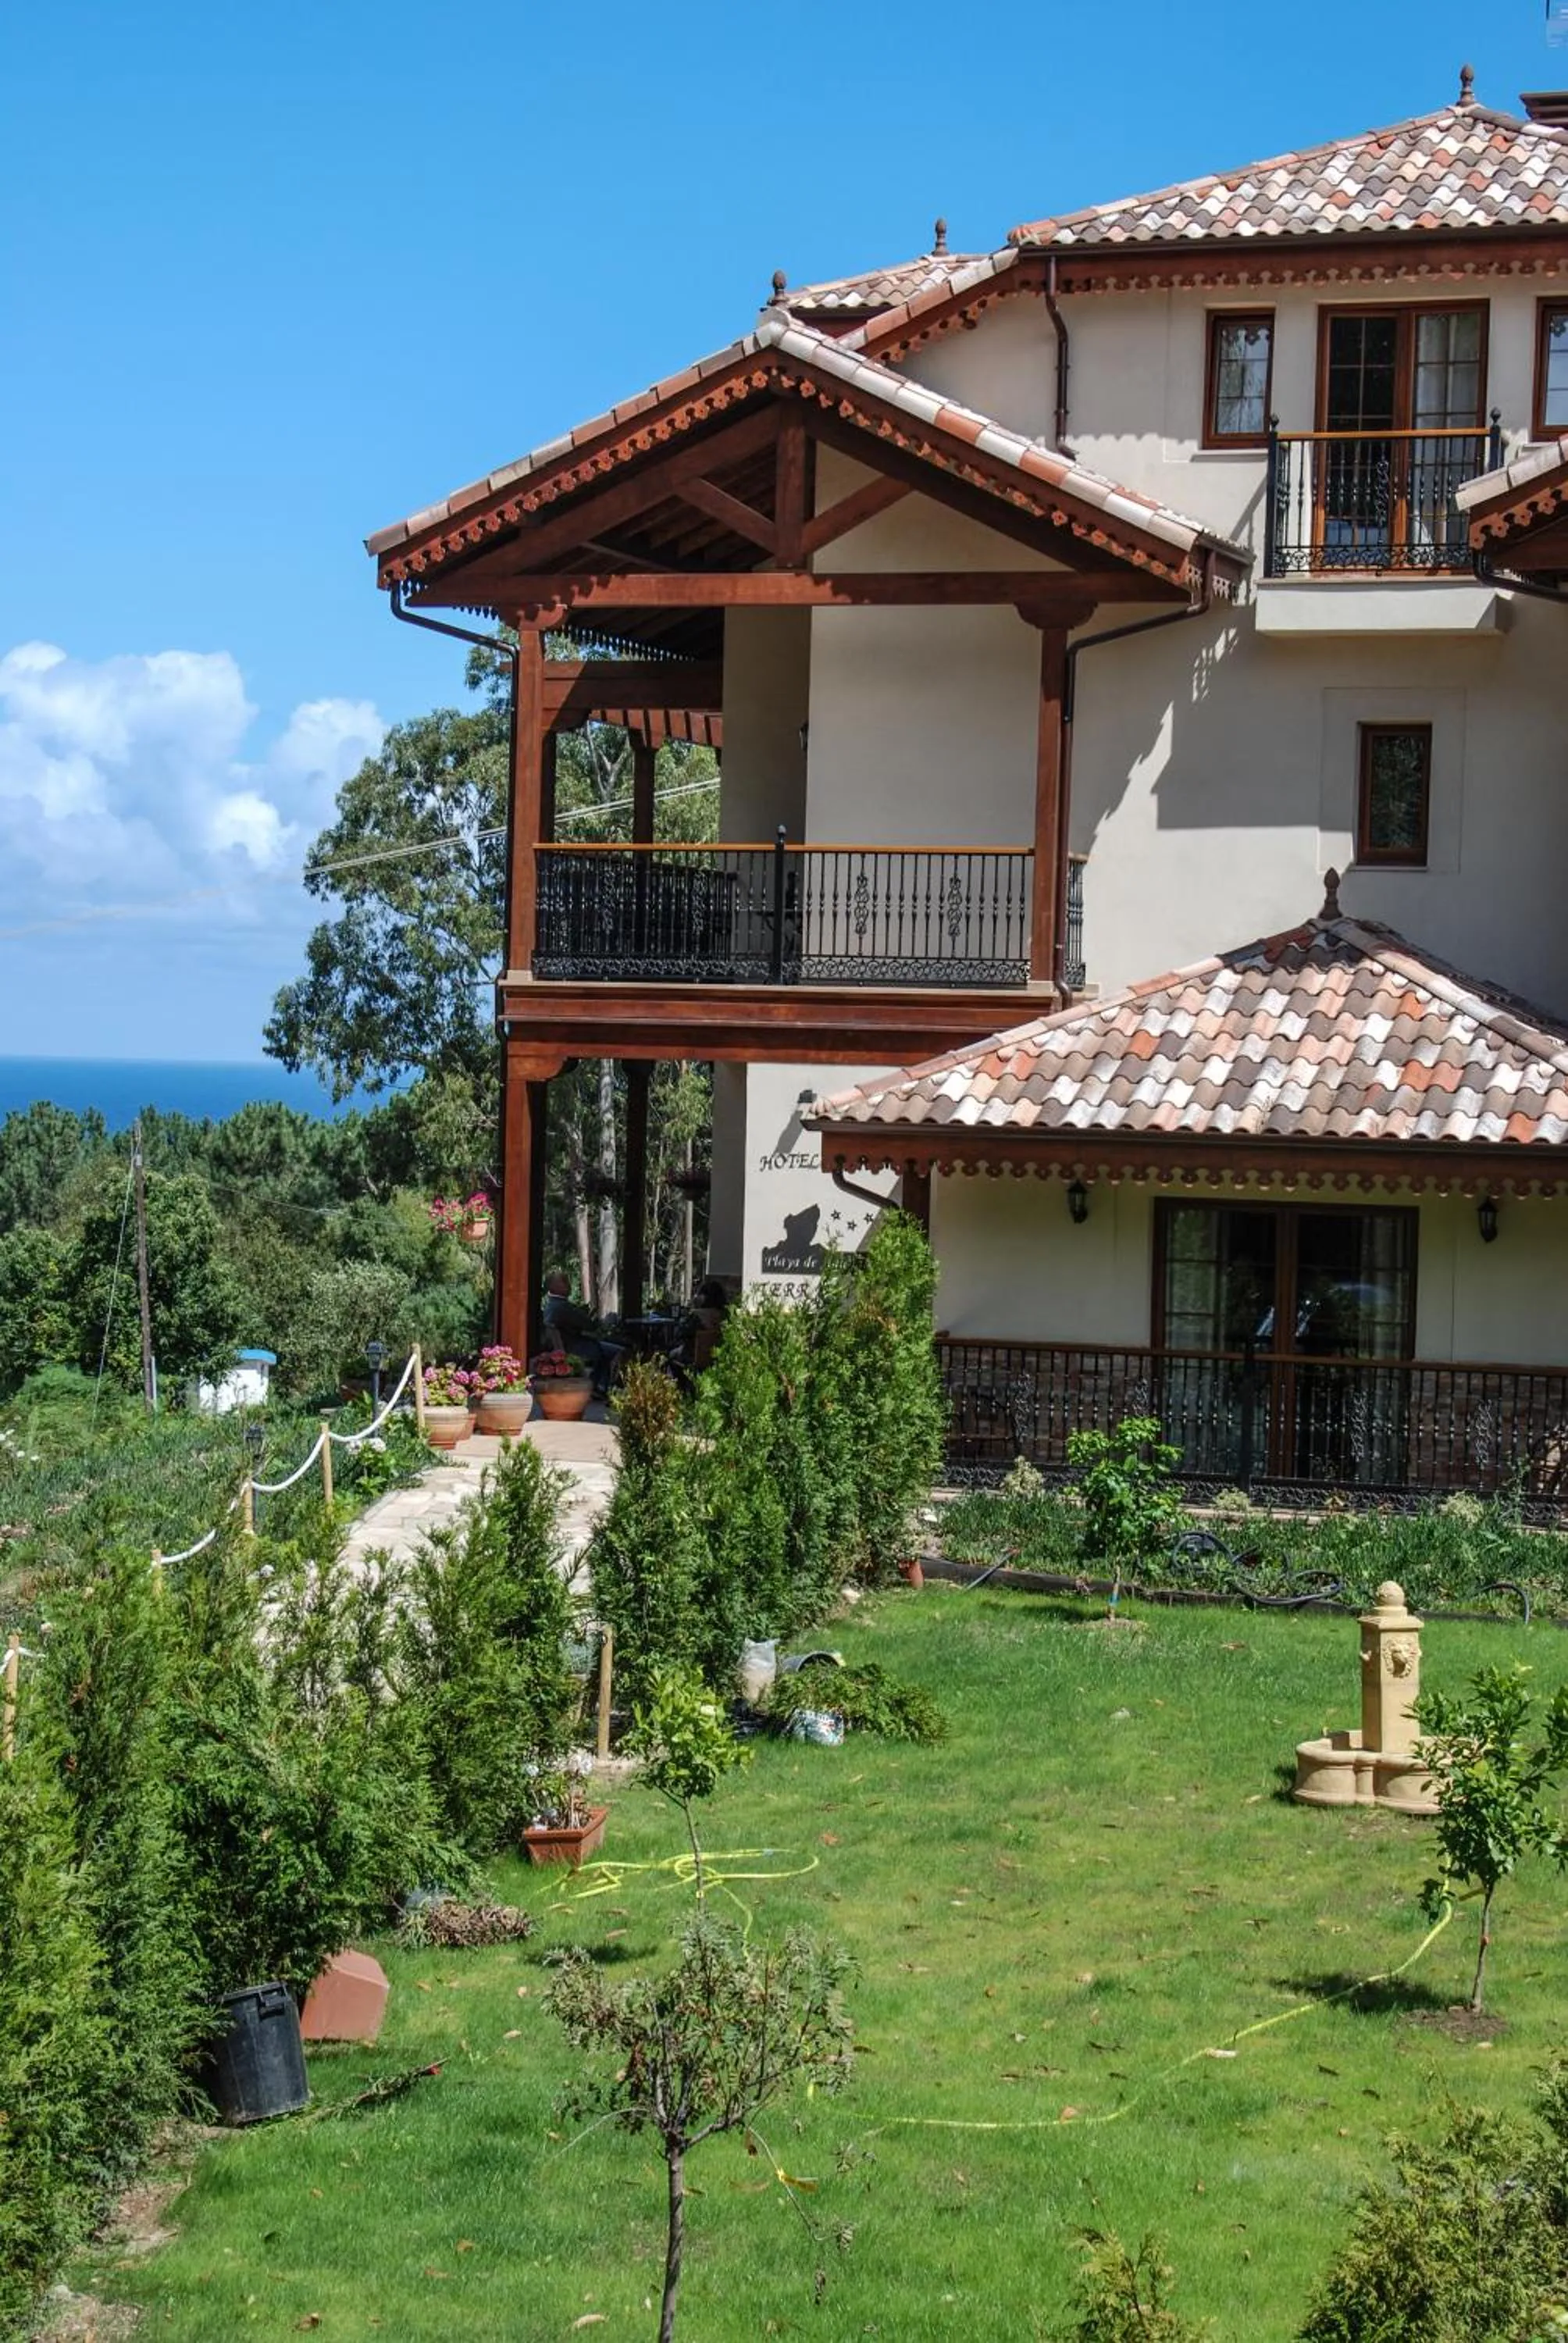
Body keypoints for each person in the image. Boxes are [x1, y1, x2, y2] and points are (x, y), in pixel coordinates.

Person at [540, 1271, 625, 1400]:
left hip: (568, 1345)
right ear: (555, 1286)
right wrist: (603, 1321)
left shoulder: (551, 1306)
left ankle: (598, 1385)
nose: (569, 1286)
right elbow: (589, 1325)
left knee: (606, 1349)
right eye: (565, 1282)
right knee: (618, 1352)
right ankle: (601, 1386)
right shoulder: (563, 1307)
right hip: (576, 1347)